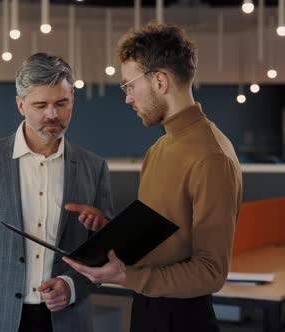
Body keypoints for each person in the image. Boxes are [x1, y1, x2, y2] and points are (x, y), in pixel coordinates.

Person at [63, 23, 243, 332]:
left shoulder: (213, 157)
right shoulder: (159, 148)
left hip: (185, 319)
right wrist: (111, 232)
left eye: (129, 86)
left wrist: (126, 277)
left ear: (159, 81)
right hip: (147, 309)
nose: (127, 98)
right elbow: (164, 240)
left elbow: (211, 271)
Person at [0, 53, 114, 332]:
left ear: (72, 100)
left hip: (67, 320)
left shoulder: (94, 168)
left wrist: (72, 285)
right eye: (41, 105)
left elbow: (103, 253)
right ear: (20, 104)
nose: (53, 114)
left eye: (62, 103)